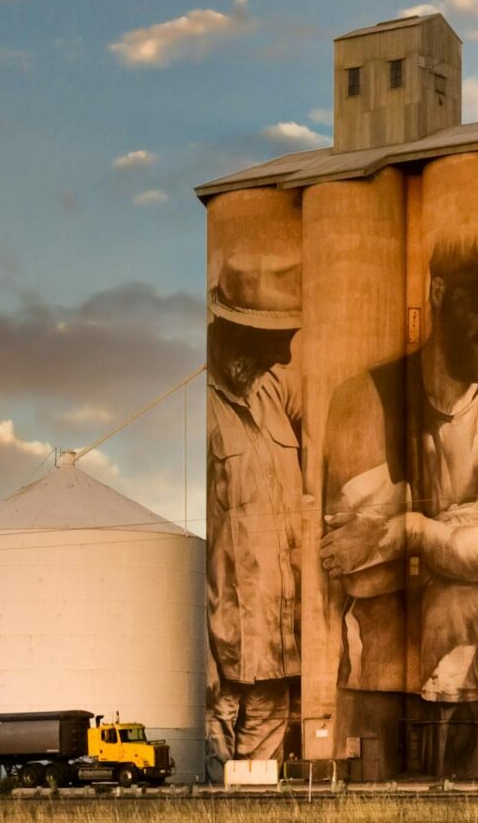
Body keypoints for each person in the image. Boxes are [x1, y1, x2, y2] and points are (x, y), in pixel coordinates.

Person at [318, 232, 478, 777]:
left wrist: (409, 530)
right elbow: (356, 569)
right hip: (379, 681)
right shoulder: (368, 399)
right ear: (437, 292)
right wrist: (477, 515)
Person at [205, 252, 303, 769]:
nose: (285, 355)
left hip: (277, 649)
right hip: (224, 663)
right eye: (275, 339)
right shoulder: (201, 411)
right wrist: (204, 667)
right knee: (217, 785)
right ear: (233, 332)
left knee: (258, 791)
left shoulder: (273, 394)